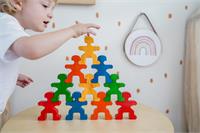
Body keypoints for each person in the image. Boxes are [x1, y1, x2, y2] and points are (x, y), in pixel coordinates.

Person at [0, 0, 100, 129]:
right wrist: (72, 31)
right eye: (45, 6)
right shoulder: (5, 23)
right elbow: (32, 49)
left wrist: (11, 76)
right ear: (17, 3)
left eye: (52, 9)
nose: (51, 14)